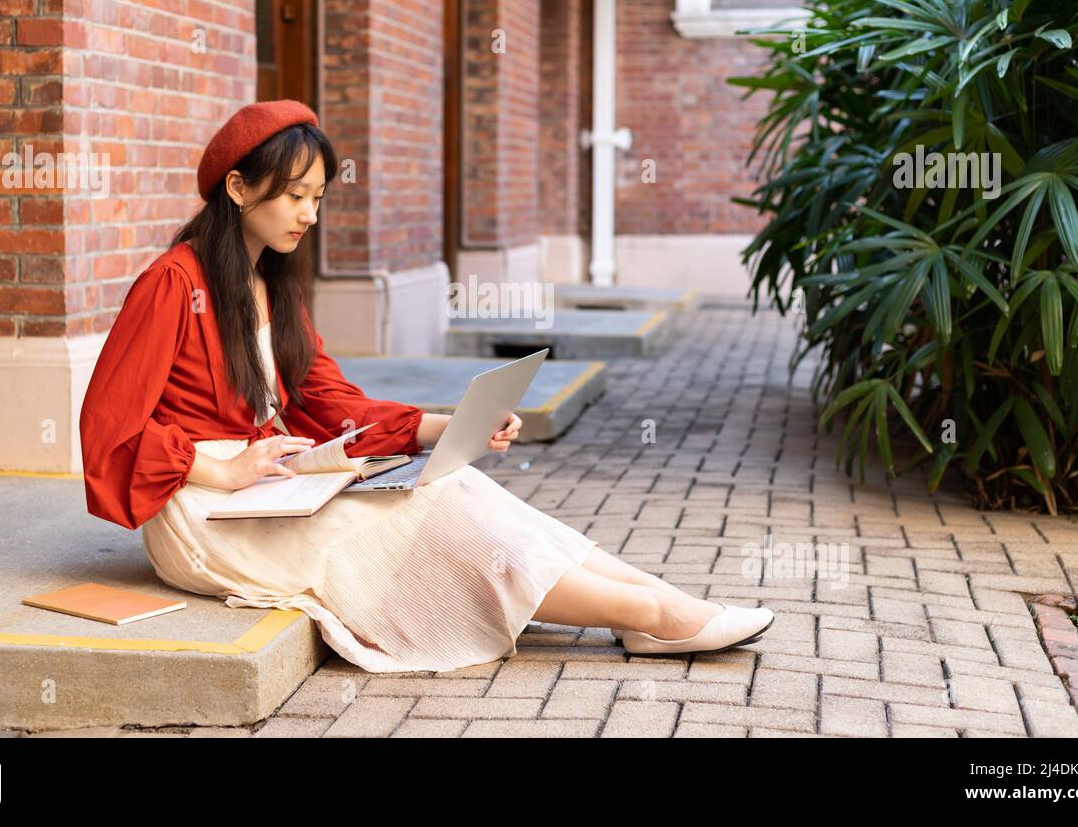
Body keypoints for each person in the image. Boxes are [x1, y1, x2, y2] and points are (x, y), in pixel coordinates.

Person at [78, 99, 774, 673]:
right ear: (237, 187)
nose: (308, 214)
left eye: (316, 197)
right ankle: (650, 616)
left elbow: (335, 405)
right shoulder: (172, 282)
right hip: (202, 513)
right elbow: (108, 432)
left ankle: (658, 602)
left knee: (451, 483)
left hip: (267, 489)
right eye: (294, 195)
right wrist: (220, 467)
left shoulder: (275, 291)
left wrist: (448, 426)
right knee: (416, 515)